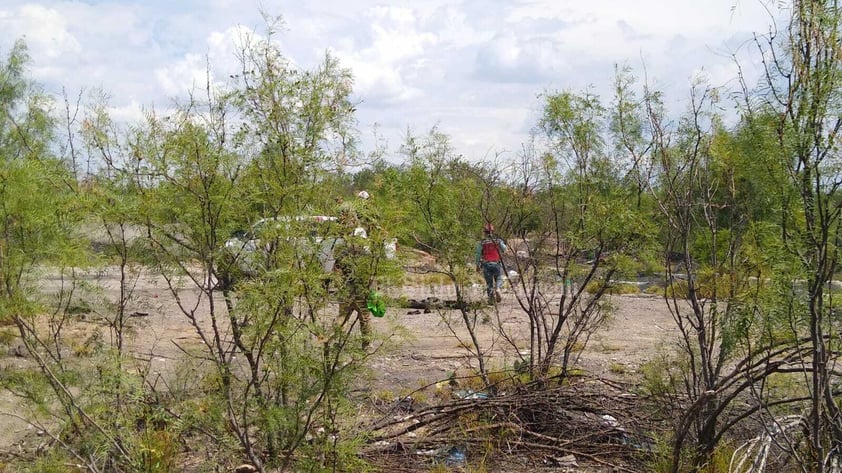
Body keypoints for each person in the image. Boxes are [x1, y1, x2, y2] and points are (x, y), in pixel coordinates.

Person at [475, 223, 507, 304]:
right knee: (499, 278)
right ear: (492, 231)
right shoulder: (498, 240)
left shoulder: (482, 242)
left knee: (489, 283)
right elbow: (505, 249)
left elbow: (478, 254)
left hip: (486, 264)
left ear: (485, 232)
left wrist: (477, 265)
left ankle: (491, 300)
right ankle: (498, 289)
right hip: (496, 263)